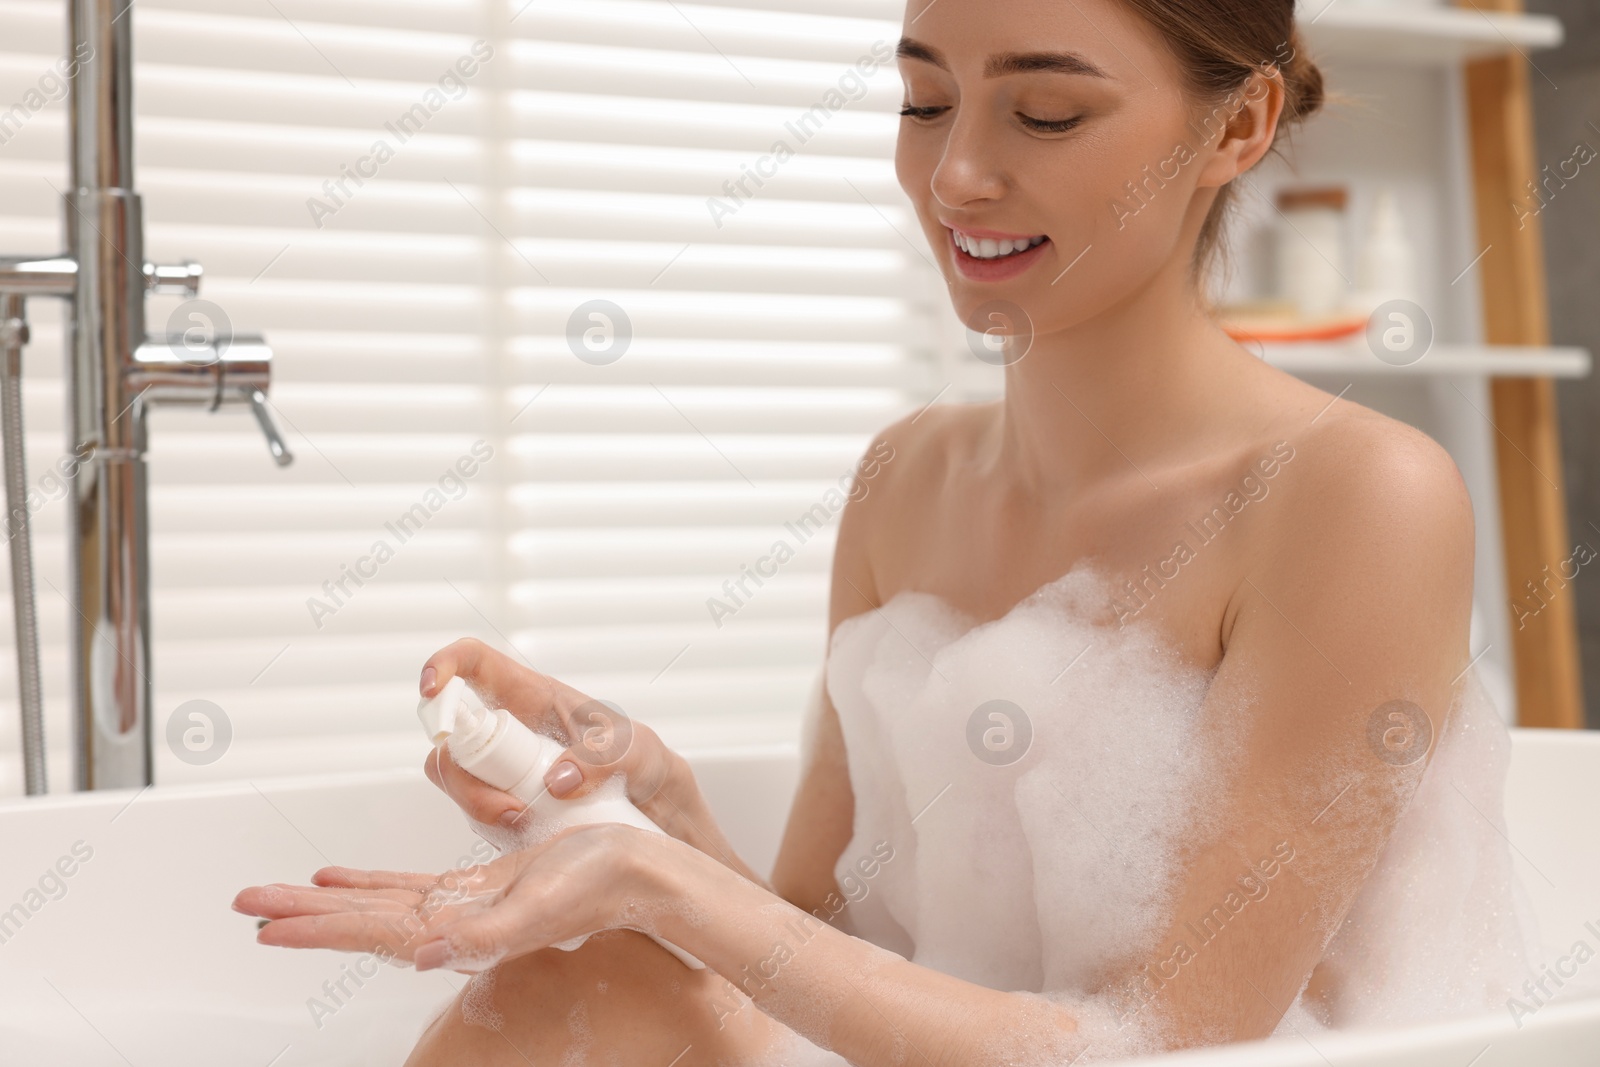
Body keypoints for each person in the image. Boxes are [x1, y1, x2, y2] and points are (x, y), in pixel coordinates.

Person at [234, 0, 1529, 1061]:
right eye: (922, 101)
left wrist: (652, 885)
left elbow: (1172, 1044)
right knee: (594, 978)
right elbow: (824, 942)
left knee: (600, 983)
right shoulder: (910, 476)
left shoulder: (1355, 495)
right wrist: (651, 806)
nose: (957, 171)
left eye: (1046, 110)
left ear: (1237, 124)